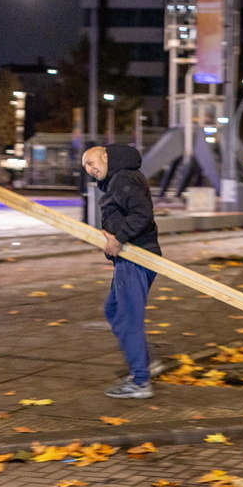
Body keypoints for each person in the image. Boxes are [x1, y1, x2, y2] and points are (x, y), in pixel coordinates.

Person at [81, 145, 161, 400]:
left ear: (106, 156)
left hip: (135, 257)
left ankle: (140, 380)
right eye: (86, 168)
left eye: (92, 162)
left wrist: (119, 240)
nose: (90, 170)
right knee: (114, 310)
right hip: (130, 257)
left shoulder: (122, 178)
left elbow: (142, 214)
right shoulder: (119, 179)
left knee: (127, 318)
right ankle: (142, 364)